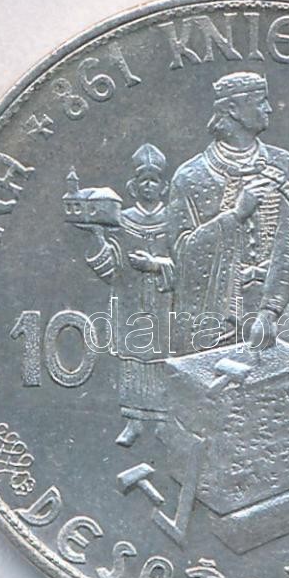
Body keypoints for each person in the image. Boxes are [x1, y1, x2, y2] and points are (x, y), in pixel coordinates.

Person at [167, 72, 289, 353]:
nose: (269, 108)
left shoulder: (284, 166)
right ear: (233, 109)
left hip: (278, 318)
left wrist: (270, 311)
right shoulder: (191, 177)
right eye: (260, 101)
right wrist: (236, 215)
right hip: (213, 322)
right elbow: (182, 256)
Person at [81, 143, 175, 447]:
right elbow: (111, 269)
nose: (148, 186)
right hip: (131, 304)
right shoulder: (120, 222)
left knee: (163, 361)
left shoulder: (175, 221)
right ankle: (133, 422)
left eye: (154, 180)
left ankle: (163, 423)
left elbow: (188, 264)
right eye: (143, 180)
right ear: (133, 186)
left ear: (164, 186)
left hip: (165, 305)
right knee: (132, 362)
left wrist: (156, 265)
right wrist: (97, 238)